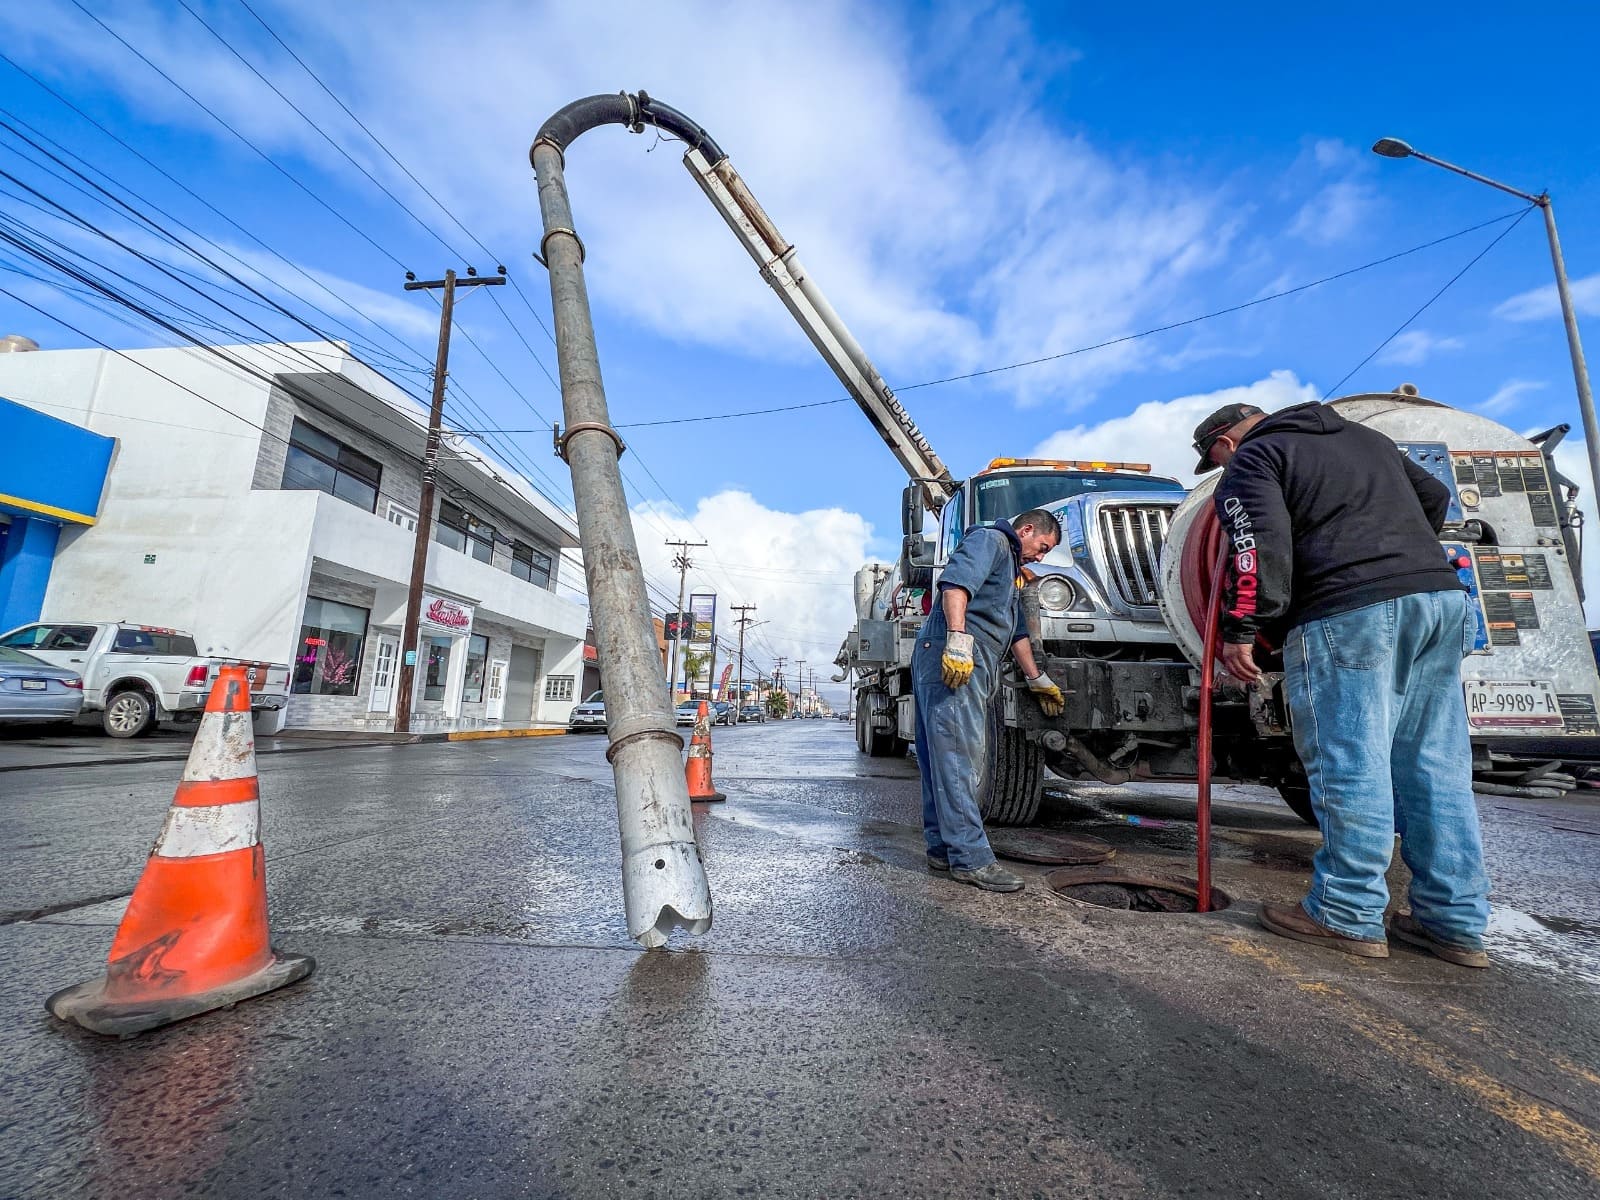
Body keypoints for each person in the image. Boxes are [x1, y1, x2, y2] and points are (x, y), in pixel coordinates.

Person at [1195, 400, 1491, 966]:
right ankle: (1452, 922)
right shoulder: (1367, 440)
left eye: (1213, 461)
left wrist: (1243, 626)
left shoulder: (1255, 458)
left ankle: (1346, 910)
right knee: (1436, 765)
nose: (1218, 471)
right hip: (1440, 604)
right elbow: (1433, 498)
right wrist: (1393, 556)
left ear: (1227, 443)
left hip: (1348, 612)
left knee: (1350, 760)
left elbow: (1257, 546)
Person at [912, 508, 1065, 892]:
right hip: (956, 655)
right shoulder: (990, 540)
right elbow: (955, 586)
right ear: (1026, 530)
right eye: (1042, 547)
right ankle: (971, 859)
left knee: (942, 759)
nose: (1041, 556)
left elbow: (1015, 631)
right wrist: (959, 640)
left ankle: (944, 849)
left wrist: (1037, 678)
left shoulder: (1010, 568)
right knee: (959, 758)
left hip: (967, 655)